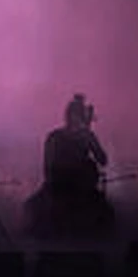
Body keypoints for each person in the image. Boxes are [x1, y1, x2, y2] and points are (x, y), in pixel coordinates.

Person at [25, 94, 115, 239]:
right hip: (74, 190)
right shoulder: (80, 136)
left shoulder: (54, 136)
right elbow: (103, 160)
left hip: (59, 188)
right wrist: (89, 135)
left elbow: (47, 168)